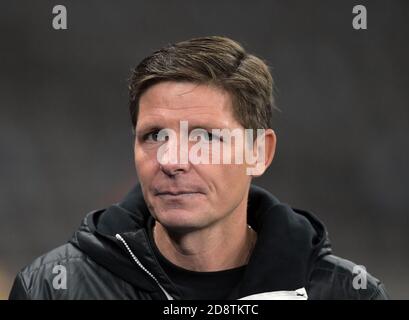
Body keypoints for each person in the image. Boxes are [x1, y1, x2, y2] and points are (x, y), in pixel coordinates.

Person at [9, 36, 388, 300]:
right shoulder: (52, 288)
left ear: (260, 151)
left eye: (205, 138)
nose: (172, 160)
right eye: (154, 135)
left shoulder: (347, 292)